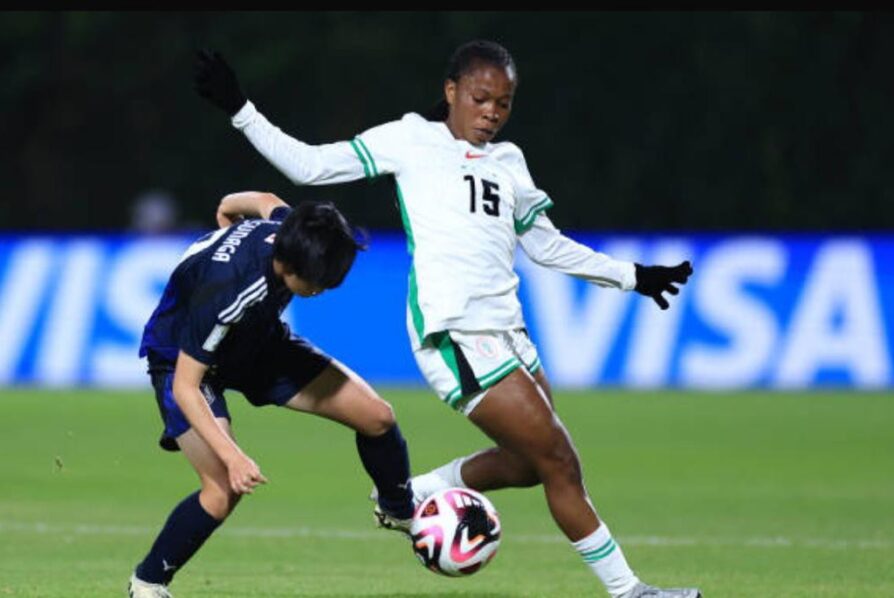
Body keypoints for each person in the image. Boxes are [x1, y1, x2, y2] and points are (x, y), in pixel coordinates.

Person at [194, 42, 699, 598]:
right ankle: (630, 591)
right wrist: (240, 109)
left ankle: (415, 492)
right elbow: (309, 165)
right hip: (456, 332)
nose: (491, 112)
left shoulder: (509, 161)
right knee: (560, 461)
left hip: (510, 332)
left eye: (503, 103)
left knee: (529, 464)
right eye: (481, 98)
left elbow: (546, 246)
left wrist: (632, 276)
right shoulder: (411, 140)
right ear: (452, 91)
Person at [127, 192, 416, 598]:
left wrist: (226, 209)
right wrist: (233, 457)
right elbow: (186, 388)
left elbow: (263, 200)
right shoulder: (229, 291)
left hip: (257, 342)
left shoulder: (291, 230)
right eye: (317, 283)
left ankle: (400, 510)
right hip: (184, 362)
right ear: (288, 266)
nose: (320, 290)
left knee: (377, 416)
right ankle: (147, 583)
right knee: (222, 490)